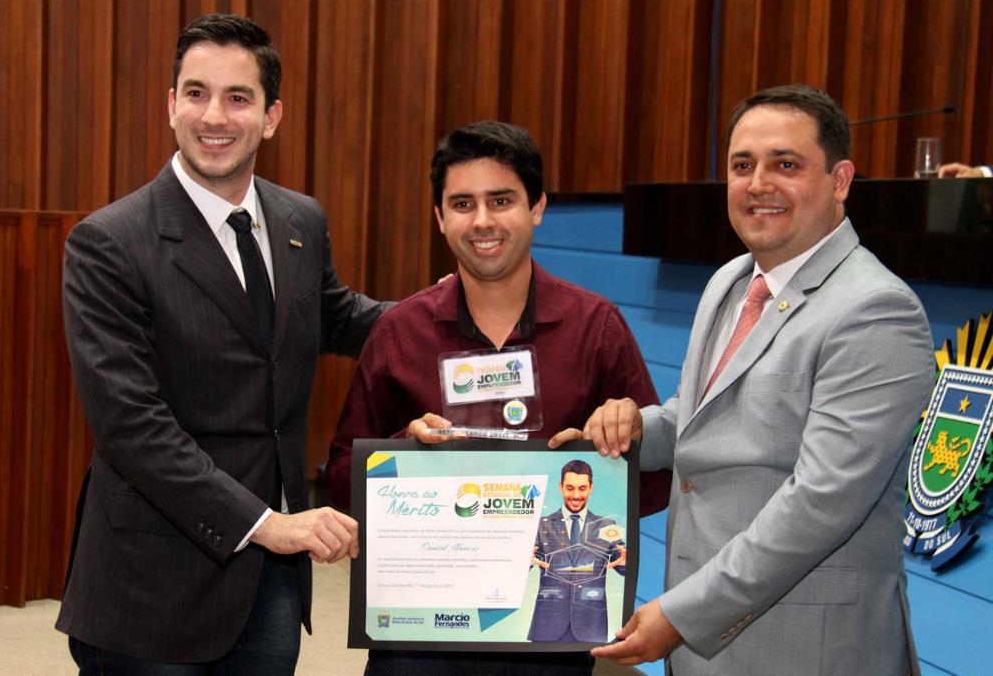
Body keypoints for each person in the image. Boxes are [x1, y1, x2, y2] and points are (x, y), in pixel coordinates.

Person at [552, 85, 935, 674]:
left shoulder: (876, 310)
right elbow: (698, 420)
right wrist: (629, 432)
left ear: (839, 180)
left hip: (806, 651)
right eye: (742, 165)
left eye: (786, 164)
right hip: (706, 648)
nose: (758, 184)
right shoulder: (731, 282)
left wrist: (682, 616)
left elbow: (821, 502)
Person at [57, 14, 387, 673]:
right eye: (197, 93)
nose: (214, 116)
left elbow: (338, 317)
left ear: (271, 117)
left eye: (238, 97)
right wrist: (270, 524)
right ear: (170, 105)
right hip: (151, 588)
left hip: (270, 585)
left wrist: (444, 313)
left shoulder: (299, 218)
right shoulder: (108, 243)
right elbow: (132, 428)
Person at [326, 120, 670, 675]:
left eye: (501, 200)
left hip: (549, 639)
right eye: (462, 204)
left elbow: (654, 487)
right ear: (440, 217)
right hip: (419, 640)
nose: (482, 220)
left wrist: (616, 447)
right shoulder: (399, 333)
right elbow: (342, 476)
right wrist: (403, 451)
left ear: (537, 207)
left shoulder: (597, 329)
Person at [529, 459, 625, 644]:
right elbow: (518, 568)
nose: (575, 495)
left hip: (590, 627)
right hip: (547, 627)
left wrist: (627, 561)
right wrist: (522, 561)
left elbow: (624, 564)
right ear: (561, 487)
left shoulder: (606, 525)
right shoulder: (541, 525)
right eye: (570, 488)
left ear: (590, 488)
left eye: (582, 488)